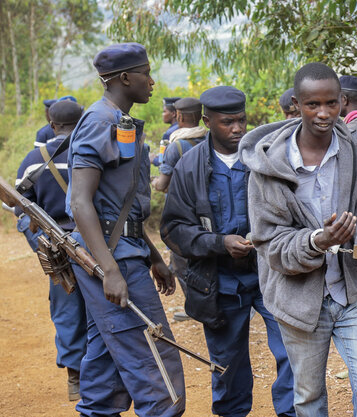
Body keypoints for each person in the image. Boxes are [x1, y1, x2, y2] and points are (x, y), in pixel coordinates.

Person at [241, 62, 357, 417]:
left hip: (355, 292)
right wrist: (317, 241)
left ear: (342, 101)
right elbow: (270, 245)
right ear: (297, 103)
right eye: (313, 105)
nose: (323, 113)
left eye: (331, 103)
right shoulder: (269, 167)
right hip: (297, 300)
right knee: (309, 395)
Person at [65, 42, 185, 417]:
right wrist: (111, 269)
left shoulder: (122, 122)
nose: (152, 81)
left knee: (105, 364)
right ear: (125, 78)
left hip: (126, 251)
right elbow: (80, 202)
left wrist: (152, 257)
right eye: (146, 73)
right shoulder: (100, 121)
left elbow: (121, 208)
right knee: (156, 363)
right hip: (111, 259)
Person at [160, 86, 295, 417]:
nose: (237, 129)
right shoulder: (189, 167)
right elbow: (174, 229)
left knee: (293, 352)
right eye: (227, 122)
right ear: (207, 121)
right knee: (227, 363)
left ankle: (294, 412)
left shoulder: (264, 158)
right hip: (219, 282)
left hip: (271, 276)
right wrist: (219, 243)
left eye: (242, 121)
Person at [14, 99, 87, 402]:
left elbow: (15, 203)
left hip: (55, 246)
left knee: (67, 310)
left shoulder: (34, 158)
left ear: (52, 125)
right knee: (101, 304)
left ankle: (75, 379)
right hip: (96, 242)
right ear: (82, 122)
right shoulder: (92, 152)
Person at [152, 97, 207, 193]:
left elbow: (161, 185)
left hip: (183, 203)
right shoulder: (209, 139)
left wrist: (154, 182)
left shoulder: (175, 146)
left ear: (179, 117)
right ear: (200, 116)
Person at [153, 97, 181, 166]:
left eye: (164, 111)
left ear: (173, 114)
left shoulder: (169, 133)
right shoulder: (182, 128)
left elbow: (163, 160)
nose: (163, 115)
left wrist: (153, 159)